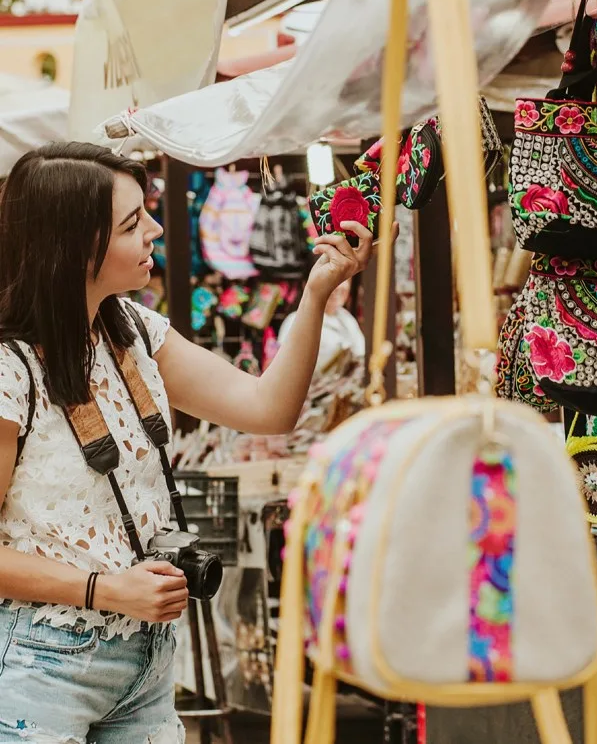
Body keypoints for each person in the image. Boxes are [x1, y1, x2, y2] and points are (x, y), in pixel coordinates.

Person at [0, 142, 394, 743]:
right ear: (75, 247)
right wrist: (105, 589)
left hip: (149, 659)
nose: (156, 228)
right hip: (40, 665)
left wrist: (317, 293)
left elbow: (268, 409)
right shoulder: (10, 368)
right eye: (133, 223)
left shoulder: (133, 330)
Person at [277, 277, 365, 373]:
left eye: (344, 280)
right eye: (332, 280)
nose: (338, 287)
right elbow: (284, 370)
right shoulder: (296, 321)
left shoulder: (348, 320)